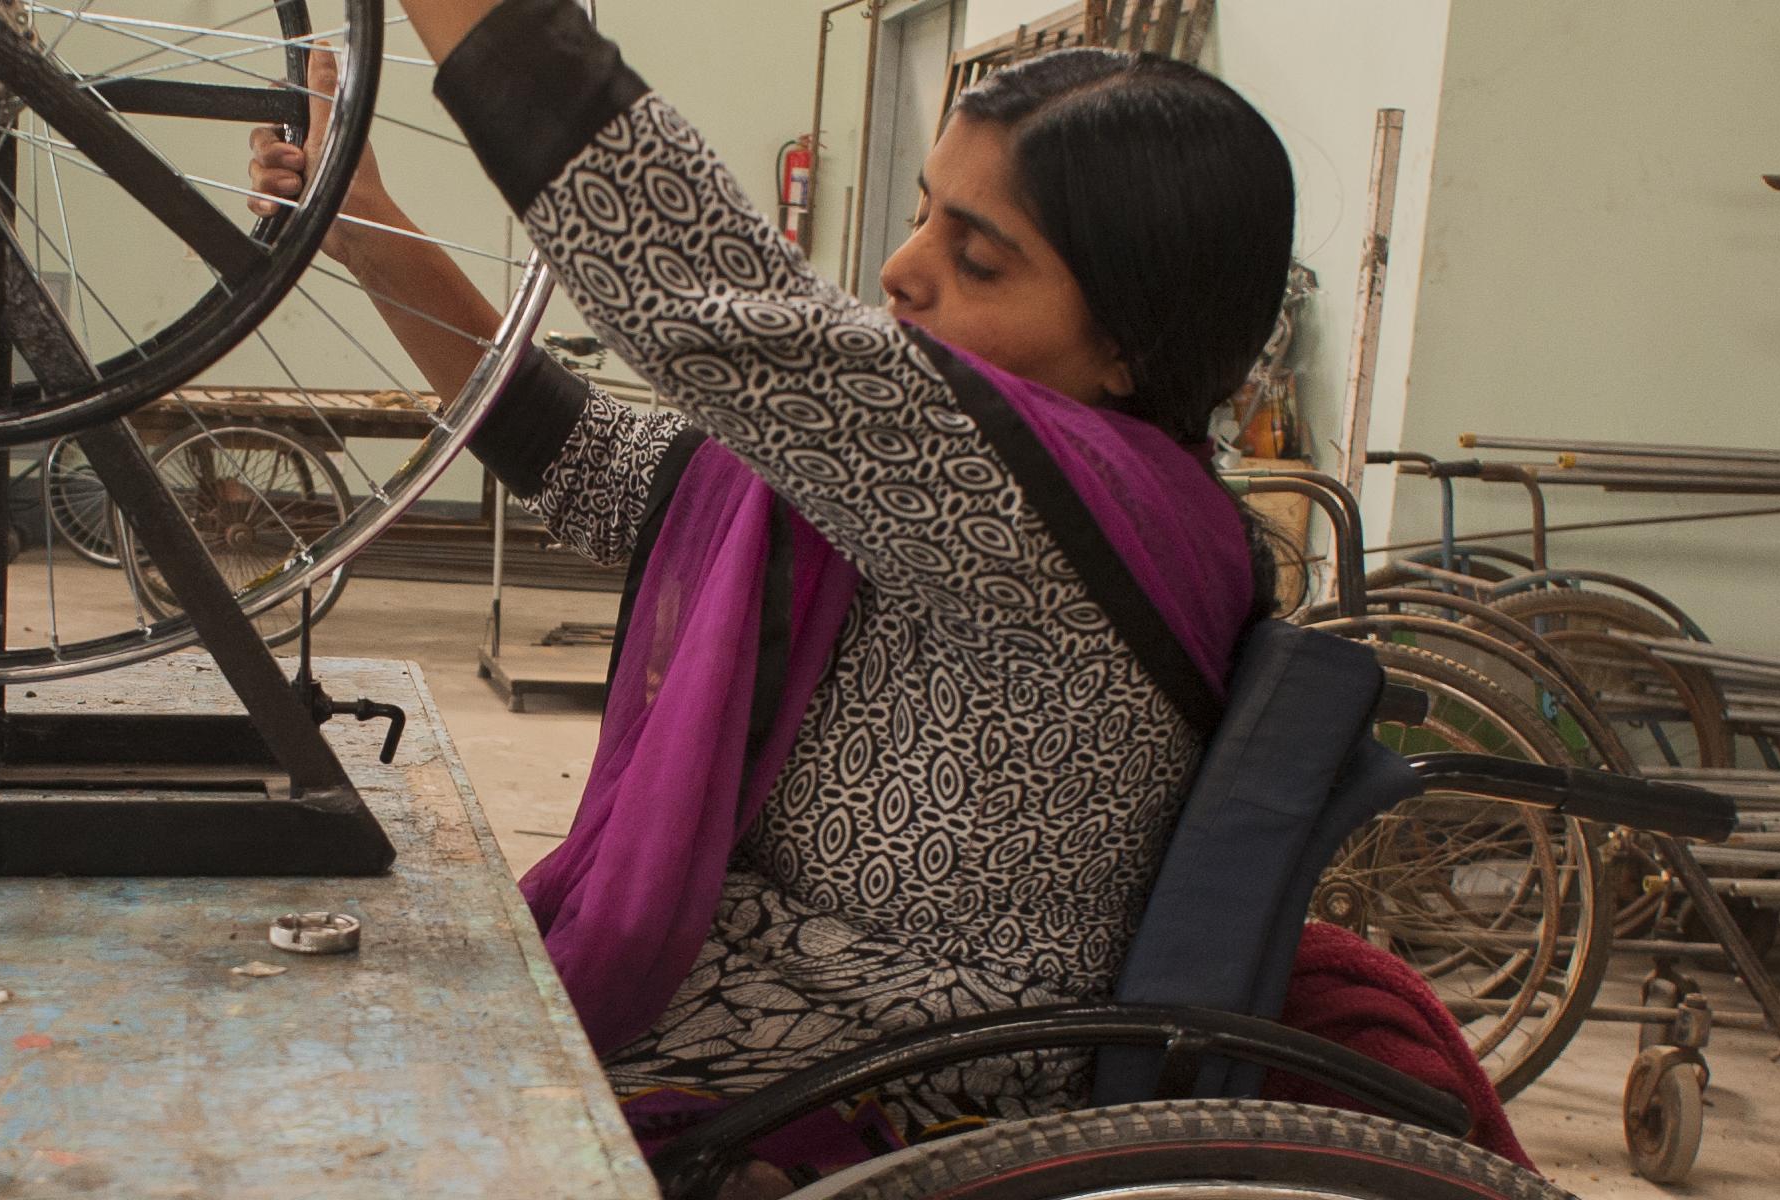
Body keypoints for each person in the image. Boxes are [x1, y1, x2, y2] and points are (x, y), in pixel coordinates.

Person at [247, 0, 1519, 1184]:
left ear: (1129, 344)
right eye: (923, 216)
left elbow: (688, 288)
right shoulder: (946, 504)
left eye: (976, 259)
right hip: (753, 1029)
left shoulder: (1062, 513)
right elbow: (578, 457)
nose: (903, 271)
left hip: (880, 1103)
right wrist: (371, 232)